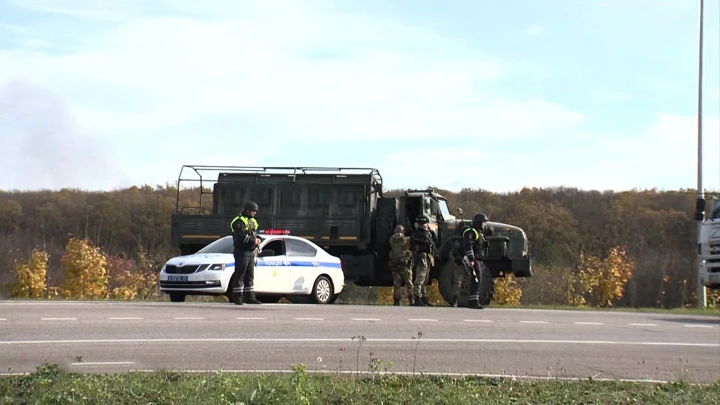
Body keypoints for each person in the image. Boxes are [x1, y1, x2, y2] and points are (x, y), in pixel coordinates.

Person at [229, 201, 262, 305]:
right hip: (241, 251)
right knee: (240, 275)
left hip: (251, 252)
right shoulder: (238, 221)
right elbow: (241, 236)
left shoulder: (252, 221)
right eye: (253, 211)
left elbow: (257, 233)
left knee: (250, 276)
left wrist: (259, 239)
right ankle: (237, 297)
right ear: (247, 210)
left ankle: (250, 297)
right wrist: (254, 240)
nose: (254, 213)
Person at [462, 213, 492, 309]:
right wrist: (471, 259)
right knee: (476, 279)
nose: (484, 225)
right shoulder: (471, 232)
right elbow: (469, 245)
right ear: (478, 223)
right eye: (483, 223)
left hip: (478, 259)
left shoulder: (479, 233)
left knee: (478, 279)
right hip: (474, 259)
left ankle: (474, 300)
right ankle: (473, 301)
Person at [410, 216, 434, 307]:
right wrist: (427, 231)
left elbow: (433, 240)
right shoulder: (417, 233)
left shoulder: (427, 233)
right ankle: (417, 298)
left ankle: (424, 298)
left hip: (427, 256)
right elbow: (424, 240)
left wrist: (429, 231)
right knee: (420, 278)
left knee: (425, 279)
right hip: (421, 256)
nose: (427, 225)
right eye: (425, 224)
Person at [388, 225, 413, 306]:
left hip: (398, 264)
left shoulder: (392, 240)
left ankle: (397, 300)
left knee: (397, 283)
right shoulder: (406, 240)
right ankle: (410, 299)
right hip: (403, 265)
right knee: (408, 283)